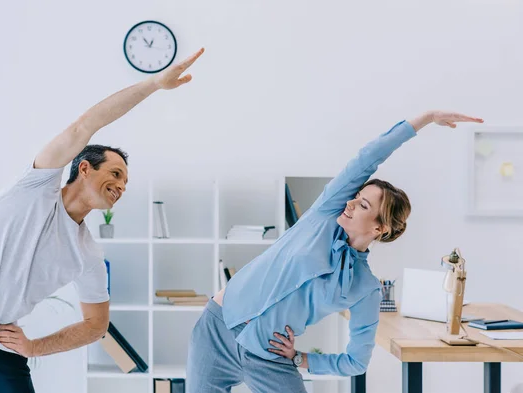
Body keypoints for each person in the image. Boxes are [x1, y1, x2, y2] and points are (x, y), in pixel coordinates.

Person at [0, 48, 205, 393]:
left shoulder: (87, 254)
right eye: (115, 174)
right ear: (84, 168)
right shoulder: (34, 187)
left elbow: (96, 325)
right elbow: (85, 125)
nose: (121, 186)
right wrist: (154, 85)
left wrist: (35, 346)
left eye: (126, 183)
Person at [186, 110, 483, 393]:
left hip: (269, 357)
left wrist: (301, 359)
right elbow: (368, 158)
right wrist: (425, 119)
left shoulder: (365, 288)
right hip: (216, 332)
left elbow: (356, 361)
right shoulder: (323, 216)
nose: (351, 204)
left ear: (379, 228)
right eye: (355, 197)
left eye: (363, 205)